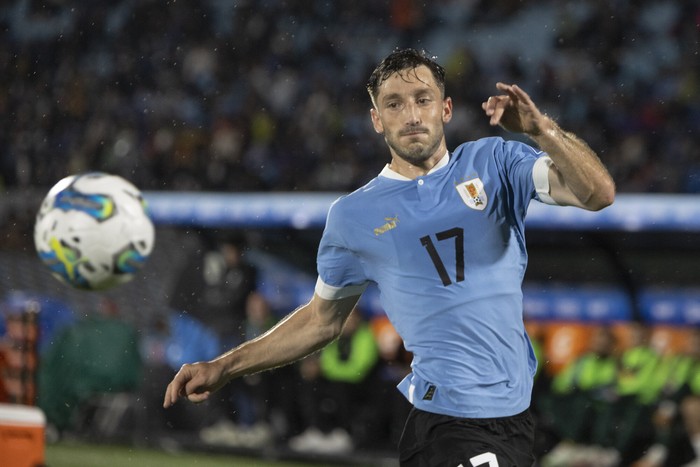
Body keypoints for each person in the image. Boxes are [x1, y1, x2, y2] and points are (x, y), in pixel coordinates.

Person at [163, 48, 615, 466]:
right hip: (448, 422)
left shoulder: (495, 162)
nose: (412, 114)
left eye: (422, 99)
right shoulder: (353, 216)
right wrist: (224, 366)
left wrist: (542, 131)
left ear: (446, 109)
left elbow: (597, 193)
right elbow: (321, 320)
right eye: (395, 104)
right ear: (377, 120)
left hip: (514, 418)